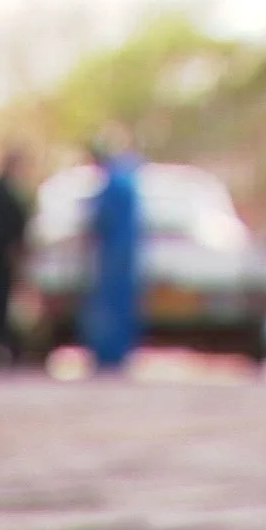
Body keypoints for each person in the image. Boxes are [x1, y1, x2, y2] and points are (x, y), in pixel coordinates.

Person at [82, 133, 144, 373]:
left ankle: (108, 353)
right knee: (122, 305)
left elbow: (101, 218)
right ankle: (116, 352)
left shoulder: (113, 184)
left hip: (113, 253)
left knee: (110, 307)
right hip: (124, 252)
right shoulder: (126, 181)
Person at [0, 147, 31, 364]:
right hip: (3, 248)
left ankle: (6, 340)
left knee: (9, 296)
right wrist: (11, 247)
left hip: (11, 248)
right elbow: (3, 220)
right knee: (0, 295)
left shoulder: (13, 188)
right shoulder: (1, 189)